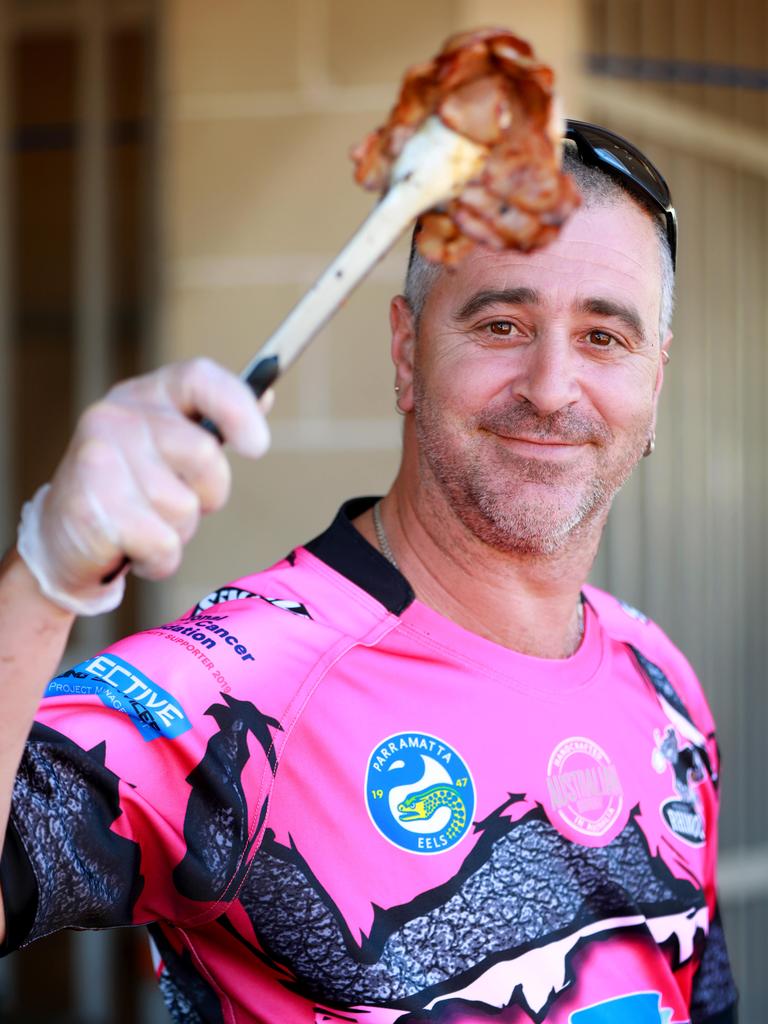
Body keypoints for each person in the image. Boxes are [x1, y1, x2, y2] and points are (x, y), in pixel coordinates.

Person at [0, 121, 738, 1024]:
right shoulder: (237, 687)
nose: (551, 387)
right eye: (501, 324)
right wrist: (44, 579)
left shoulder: (664, 684)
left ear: (653, 384)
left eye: (603, 337)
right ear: (406, 353)